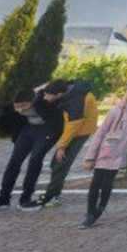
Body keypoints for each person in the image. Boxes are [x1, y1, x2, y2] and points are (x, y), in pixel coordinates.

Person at [79, 78, 127, 227]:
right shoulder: (115, 111)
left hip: (120, 155)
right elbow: (100, 134)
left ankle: (99, 210)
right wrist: (90, 157)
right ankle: (90, 213)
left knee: (108, 183)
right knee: (96, 183)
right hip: (104, 152)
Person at [0, 81, 67, 211]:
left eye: (24, 106)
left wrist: (59, 142)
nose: (21, 109)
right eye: (17, 106)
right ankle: (4, 199)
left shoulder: (45, 103)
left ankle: (25, 199)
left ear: (32, 102)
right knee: (14, 162)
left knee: (35, 161)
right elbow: (2, 123)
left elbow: (58, 124)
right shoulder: (11, 107)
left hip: (46, 130)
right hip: (29, 129)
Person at [37, 77, 97, 208]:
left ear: (59, 94)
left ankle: (51, 196)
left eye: (47, 95)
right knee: (56, 163)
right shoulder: (71, 89)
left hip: (79, 132)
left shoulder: (76, 102)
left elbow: (73, 127)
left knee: (60, 163)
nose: (45, 98)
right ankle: (54, 194)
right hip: (77, 129)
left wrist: (61, 147)